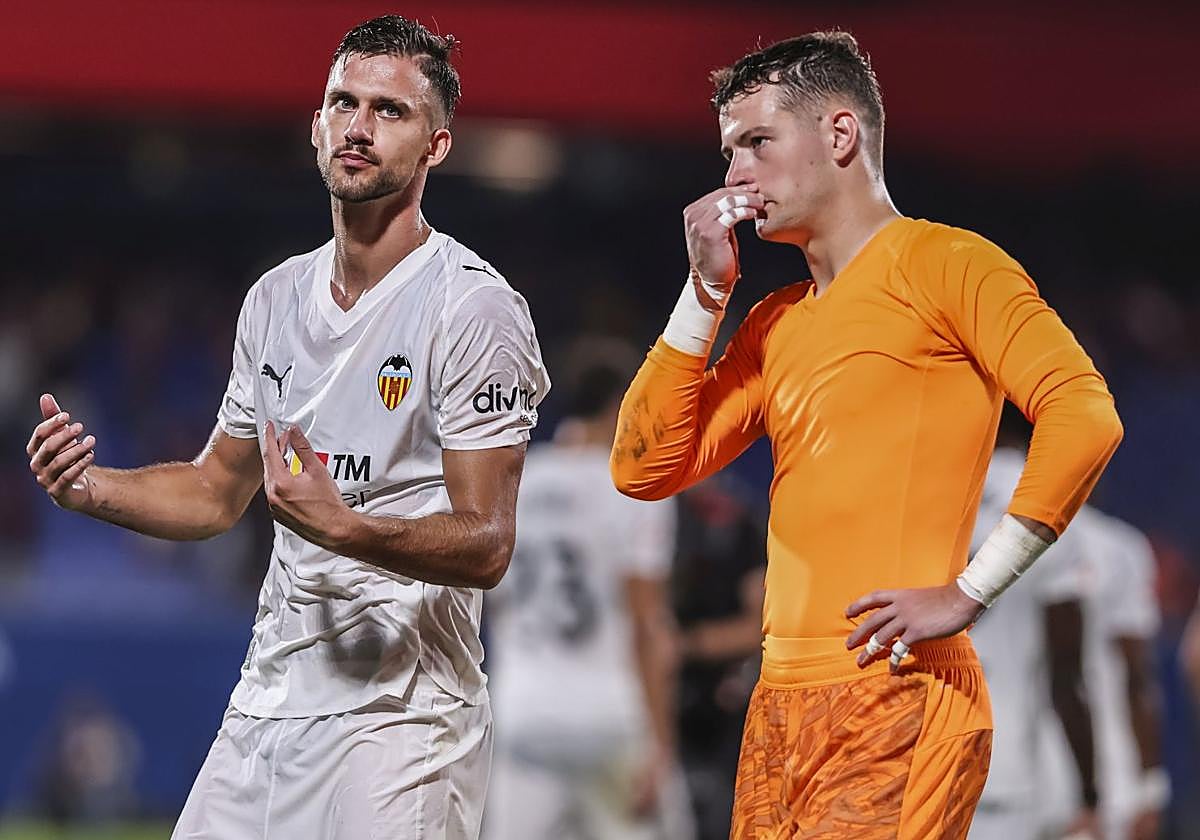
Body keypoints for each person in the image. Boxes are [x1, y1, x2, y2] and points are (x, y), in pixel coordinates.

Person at [25, 15, 548, 839]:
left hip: (402, 721)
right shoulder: (273, 299)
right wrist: (91, 487)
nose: (359, 126)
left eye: (389, 110)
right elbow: (213, 492)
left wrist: (342, 525)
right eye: (343, 102)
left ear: (436, 147)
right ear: (315, 127)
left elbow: (487, 541)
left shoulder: (472, 308)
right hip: (267, 705)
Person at [608, 31, 1123, 838]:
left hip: (897, 688)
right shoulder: (774, 324)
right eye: (729, 151)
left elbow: (1085, 412)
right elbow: (643, 467)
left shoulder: (949, 263)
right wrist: (705, 295)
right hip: (778, 701)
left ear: (840, 135)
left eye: (757, 143)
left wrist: (970, 589)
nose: (734, 174)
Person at [485, 343, 693, 840]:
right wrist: (662, 742)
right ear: (622, 404)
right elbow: (647, 624)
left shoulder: (517, 482)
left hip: (522, 711)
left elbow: (493, 600)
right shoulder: (634, 487)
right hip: (609, 715)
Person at [967, 409, 1100, 840]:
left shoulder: (934, 496)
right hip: (1005, 772)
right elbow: (1066, 670)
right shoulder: (1050, 506)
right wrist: (1089, 793)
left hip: (917, 759)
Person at [1038, 506, 1166, 840]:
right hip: (1098, 778)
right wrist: (1150, 788)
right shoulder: (1117, 545)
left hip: (1001, 769)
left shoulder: (969, 536)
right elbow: (1136, 675)